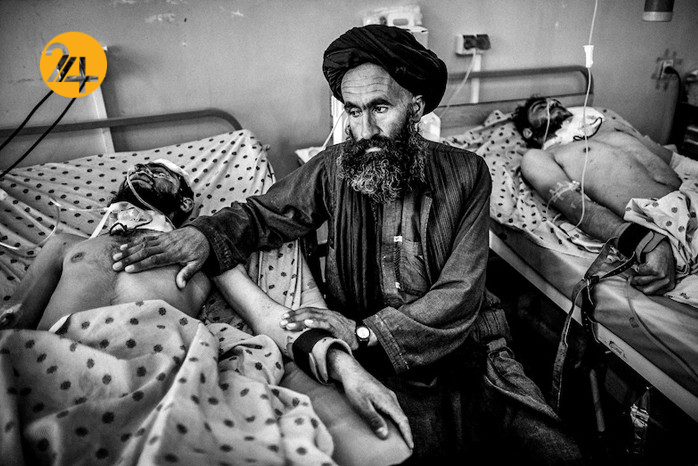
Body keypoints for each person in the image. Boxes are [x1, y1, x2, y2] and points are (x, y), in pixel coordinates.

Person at [112, 25, 585, 464]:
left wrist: (361, 333)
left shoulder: (467, 173)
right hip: (384, 365)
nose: (365, 129)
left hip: (473, 351)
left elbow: (460, 294)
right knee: (411, 452)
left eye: (380, 108)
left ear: (415, 107)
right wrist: (201, 234)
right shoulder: (335, 167)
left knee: (557, 453)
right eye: (354, 111)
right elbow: (263, 215)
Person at [0, 159, 412, 450]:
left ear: (186, 206)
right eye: (143, 170)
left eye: (165, 174)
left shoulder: (203, 252)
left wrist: (347, 367)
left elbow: (269, 317)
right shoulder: (65, 244)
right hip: (49, 366)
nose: (149, 170)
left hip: (152, 371)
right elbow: (12, 321)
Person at [513, 96, 683, 296]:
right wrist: (644, 241)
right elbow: (577, 207)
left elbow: (677, 162)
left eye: (555, 102)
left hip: (691, 197)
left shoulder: (608, 127)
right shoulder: (539, 157)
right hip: (663, 228)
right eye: (541, 107)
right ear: (528, 132)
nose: (553, 104)